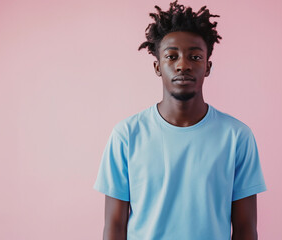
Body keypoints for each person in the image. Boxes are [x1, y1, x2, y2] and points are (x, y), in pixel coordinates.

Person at [93, 1, 267, 239]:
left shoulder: (237, 136)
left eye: (195, 57)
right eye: (171, 56)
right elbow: (114, 225)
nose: (183, 65)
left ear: (207, 67)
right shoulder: (127, 135)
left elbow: (246, 227)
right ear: (157, 67)